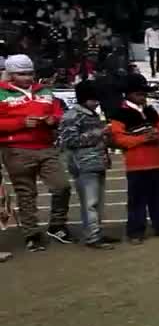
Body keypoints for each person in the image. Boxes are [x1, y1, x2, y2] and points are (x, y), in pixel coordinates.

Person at [0, 53, 74, 251]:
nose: (27, 77)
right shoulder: (1, 92)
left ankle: (57, 225)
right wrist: (20, 123)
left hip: (46, 146)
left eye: (30, 73)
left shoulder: (44, 90)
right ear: (11, 74)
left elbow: (59, 112)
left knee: (62, 186)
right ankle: (31, 233)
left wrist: (54, 120)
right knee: (26, 193)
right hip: (16, 149)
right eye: (21, 74)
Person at [109, 74, 159, 244]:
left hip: (155, 161)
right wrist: (144, 138)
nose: (142, 97)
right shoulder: (120, 113)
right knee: (136, 200)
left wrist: (157, 135)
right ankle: (135, 232)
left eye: (143, 94)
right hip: (135, 164)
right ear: (128, 94)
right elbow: (119, 139)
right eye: (139, 94)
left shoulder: (150, 111)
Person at [55, 79, 116, 249]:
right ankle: (92, 236)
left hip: (96, 161)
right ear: (84, 99)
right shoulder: (72, 115)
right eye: (93, 99)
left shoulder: (90, 113)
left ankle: (96, 232)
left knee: (97, 202)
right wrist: (100, 132)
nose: (96, 103)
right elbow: (69, 140)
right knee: (90, 203)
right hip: (83, 163)